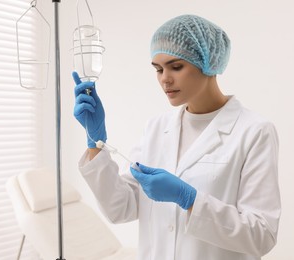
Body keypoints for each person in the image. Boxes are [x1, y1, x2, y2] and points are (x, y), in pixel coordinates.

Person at [73, 14, 281, 260]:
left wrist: (190, 200)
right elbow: (121, 208)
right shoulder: (157, 128)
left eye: (176, 66)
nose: (165, 79)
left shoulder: (254, 131)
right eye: (158, 69)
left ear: (207, 62)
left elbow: (262, 235)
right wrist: (95, 143)